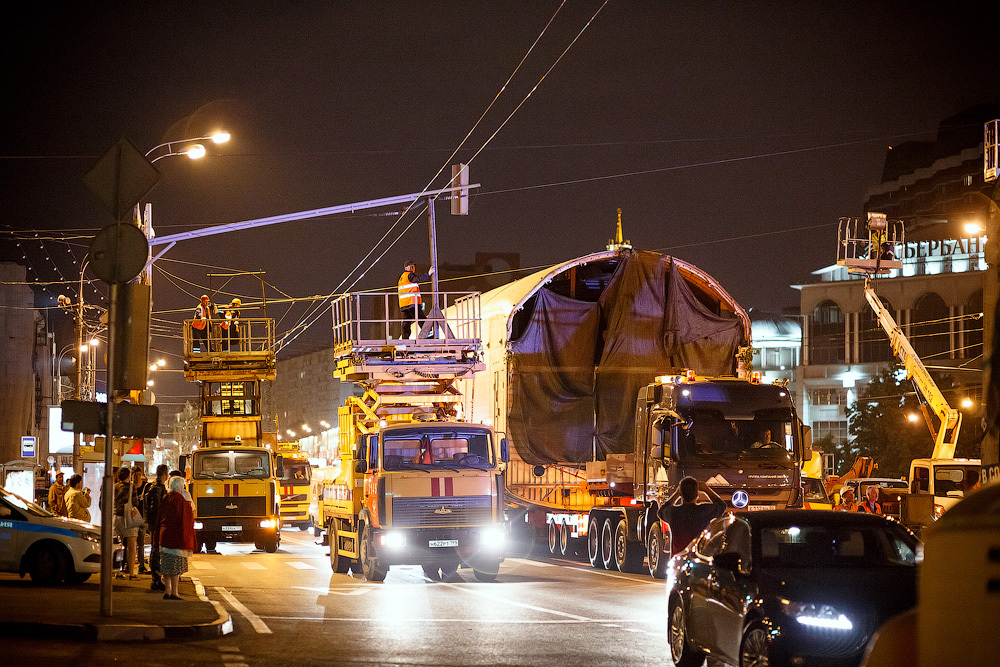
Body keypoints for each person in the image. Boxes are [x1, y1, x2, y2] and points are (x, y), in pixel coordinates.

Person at [657, 477, 727, 554]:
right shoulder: (704, 510)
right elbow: (722, 506)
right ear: (697, 495)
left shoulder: (673, 512)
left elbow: (661, 511)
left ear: (681, 494)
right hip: (697, 556)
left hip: (678, 557)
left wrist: (676, 494)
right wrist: (706, 490)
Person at [157, 475, 196, 600]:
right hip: (177, 538)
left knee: (166, 565)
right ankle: (174, 592)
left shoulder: (165, 499)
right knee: (175, 567)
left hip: (165, 537)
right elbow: (186, 521)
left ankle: (167, 591)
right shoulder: (181, 502)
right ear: (181, 488)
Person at [144, 464, 169, 591]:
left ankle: (156, 579)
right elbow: (156, 508)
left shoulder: (153, 486)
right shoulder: (158, 488)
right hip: (157, 523)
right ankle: (156, 580)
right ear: (165, 474)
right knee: (156, 551)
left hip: (154, 522)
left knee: (156, 550)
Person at [113, 466, 139, 579]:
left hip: (116, 517)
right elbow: (135, 502)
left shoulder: (114, 487)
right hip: (128, 517)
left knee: (119, 545)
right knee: (132, 546)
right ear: (128, 476)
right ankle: (131, 572)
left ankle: (118, 571)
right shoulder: (131, 487)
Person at [397, 260, 433, 339]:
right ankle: (429, 335)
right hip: (412, 303)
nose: (413, 268)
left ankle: (405, 339)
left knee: (406, 323)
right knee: (421, 318)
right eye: (412, 266)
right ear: (407, 268)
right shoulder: (409, 275)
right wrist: (428, 274)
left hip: (404, 305)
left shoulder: (402, 277)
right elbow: (418, 279)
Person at [132, 467, 150, 574]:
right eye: (135, 475)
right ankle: (129, 563)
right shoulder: (130, 487)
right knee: (131, 543)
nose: (137, 477)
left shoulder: (145, 487)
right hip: (132, 519)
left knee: (141, 543)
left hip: (142, 519)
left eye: (138, 475)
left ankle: (141, 564)